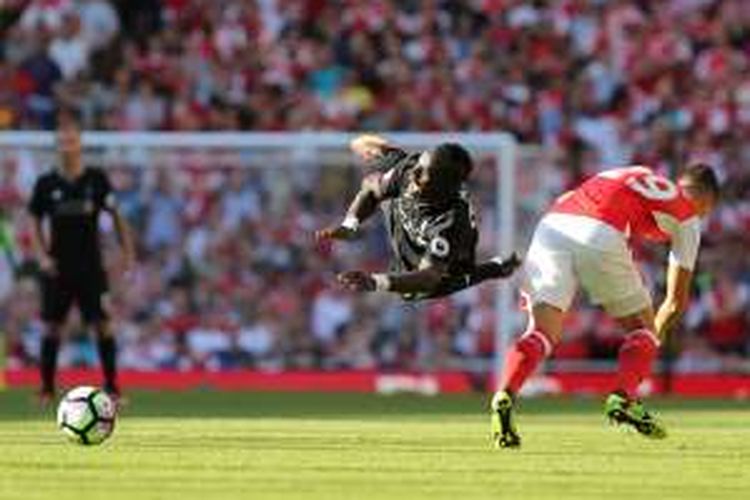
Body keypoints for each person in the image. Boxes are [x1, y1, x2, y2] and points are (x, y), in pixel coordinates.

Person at [490, 164, 720, 448]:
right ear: (707, 202)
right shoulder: (689, 218)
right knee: (642, 330)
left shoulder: (637, 172)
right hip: (600, 230)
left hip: (552, 225)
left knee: (541, 332)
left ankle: (504, 394)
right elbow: (675, 302)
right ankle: (624, 398)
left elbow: (570, 194)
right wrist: (650, 344)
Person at [315, 134, 520, 300]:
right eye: (419, 164)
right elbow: (372, 186)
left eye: (423, 172)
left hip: (435, 270)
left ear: (440, 187)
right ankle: (384, 155)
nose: (414, 172)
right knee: (377, 180)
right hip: (406, 225)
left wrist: (376, 282)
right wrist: (350, 224)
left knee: (427, 286)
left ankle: (495, 268)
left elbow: (428, 277)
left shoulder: (451, 223)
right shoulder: (412, 169)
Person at [28, 111, 134, 405]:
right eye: (62, 141)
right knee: (52, 325)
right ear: (57, 146)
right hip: (57, 266)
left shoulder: (96, 180)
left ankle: (112, 388)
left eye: (71, 140)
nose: (67, 146)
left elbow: (116, 217)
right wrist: (41, 255)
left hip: (90, 266)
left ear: (80, 144)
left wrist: (127, 253)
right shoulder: (46, 183)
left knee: (103, 324)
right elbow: (33, 221)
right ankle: (47, 389)